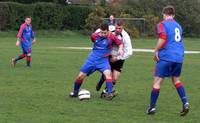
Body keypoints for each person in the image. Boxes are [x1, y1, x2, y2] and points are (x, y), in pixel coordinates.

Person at [146, 5, 189, 116]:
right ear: (173, 15)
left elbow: (163, 37)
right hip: (179, 57)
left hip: (166, 57)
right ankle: (185, 102)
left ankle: (152, 108)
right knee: (176, 80)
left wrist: (156, 50)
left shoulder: (162, 24)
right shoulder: (178, 26)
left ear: (164, 14)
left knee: (157, 82)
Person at [69, 23, 124, 100]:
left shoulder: (111, 36)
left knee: (108, 75)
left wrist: (120, 49)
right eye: (101, 32)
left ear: (108, 31)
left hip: (103, 61)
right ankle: (75, 93)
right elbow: (93, 40)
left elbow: (120, 43)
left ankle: (109, 93)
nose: (103, 34)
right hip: (92, 59)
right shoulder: (94, 36)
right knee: (80, 76)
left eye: (105, 32)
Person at [96, 20, 133, 96]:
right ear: (114, 26)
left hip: (119, 57)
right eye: (116, 28)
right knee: (107, 72)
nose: (117, 30)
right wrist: (97, 35)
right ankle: (100, 82)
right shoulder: (110, 28)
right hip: (109, 54)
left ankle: (105, 92)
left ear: (123, 28)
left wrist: (117, 58)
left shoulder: (125, 36)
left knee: (115, 78)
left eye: (120, 28)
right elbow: (99, 30)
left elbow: (129, 52)